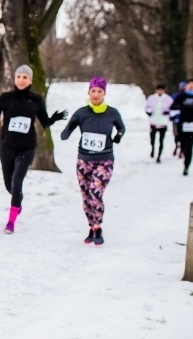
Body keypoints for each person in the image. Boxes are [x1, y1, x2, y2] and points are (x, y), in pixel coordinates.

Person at [0, 64, 68, 234]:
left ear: (30, 80)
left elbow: (44, 122)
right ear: (15, 79)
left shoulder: (36, 100)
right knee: (9, 185)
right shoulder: (5, 98)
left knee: (17, 181)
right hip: (7, 147)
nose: (21, 80)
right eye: (19, 77)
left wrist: (55, 118)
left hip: (27, 148)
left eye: (25, 77)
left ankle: (11, 222)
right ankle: (17, 200)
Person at [60, 77, 125, 246]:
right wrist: (65, 133)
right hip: (84, 160)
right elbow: (70, 126)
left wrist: (118, 136)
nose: (96, 94)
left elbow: (121, 127)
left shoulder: (112, 113)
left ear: (104, 93)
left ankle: (99, 227)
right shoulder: (82, 112)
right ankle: (91, 226)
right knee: (86, 196)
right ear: (88, 92)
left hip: (104, 160)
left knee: (95, 192)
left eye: (99, 91)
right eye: (93, 91)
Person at [170, 79, 193, 175]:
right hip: (182, 123)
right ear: (186, 86)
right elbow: (173, 106)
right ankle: (183, 151)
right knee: (183, 143)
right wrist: (180, 108)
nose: (191, 86)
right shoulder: (181, 96)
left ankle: (186, 166)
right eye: (190, 85)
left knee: (190, 145)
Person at [144, 84, 173, 163]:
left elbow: (173, 109)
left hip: (163, 122)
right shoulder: (151, 98)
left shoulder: (168, 99)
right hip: (153, 122)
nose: (160, 91)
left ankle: (159, 156)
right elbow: (146, 107)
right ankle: (153, 148)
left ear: (164, 90)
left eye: (161, 90)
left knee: (161, 140)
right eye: (158, 90)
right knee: (152, 139)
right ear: (156, 90)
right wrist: (148, 112)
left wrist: (168, 113)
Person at [170, 81, 186, 156]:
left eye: (184, 87)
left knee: (183, 135)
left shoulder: (188, 96)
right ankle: (176, 146)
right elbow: (170, 106)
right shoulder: (174, 95)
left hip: (185, 119)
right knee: (176, 134)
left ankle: (182, 150)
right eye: (181, 87)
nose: (182, 88)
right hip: (176, 118)